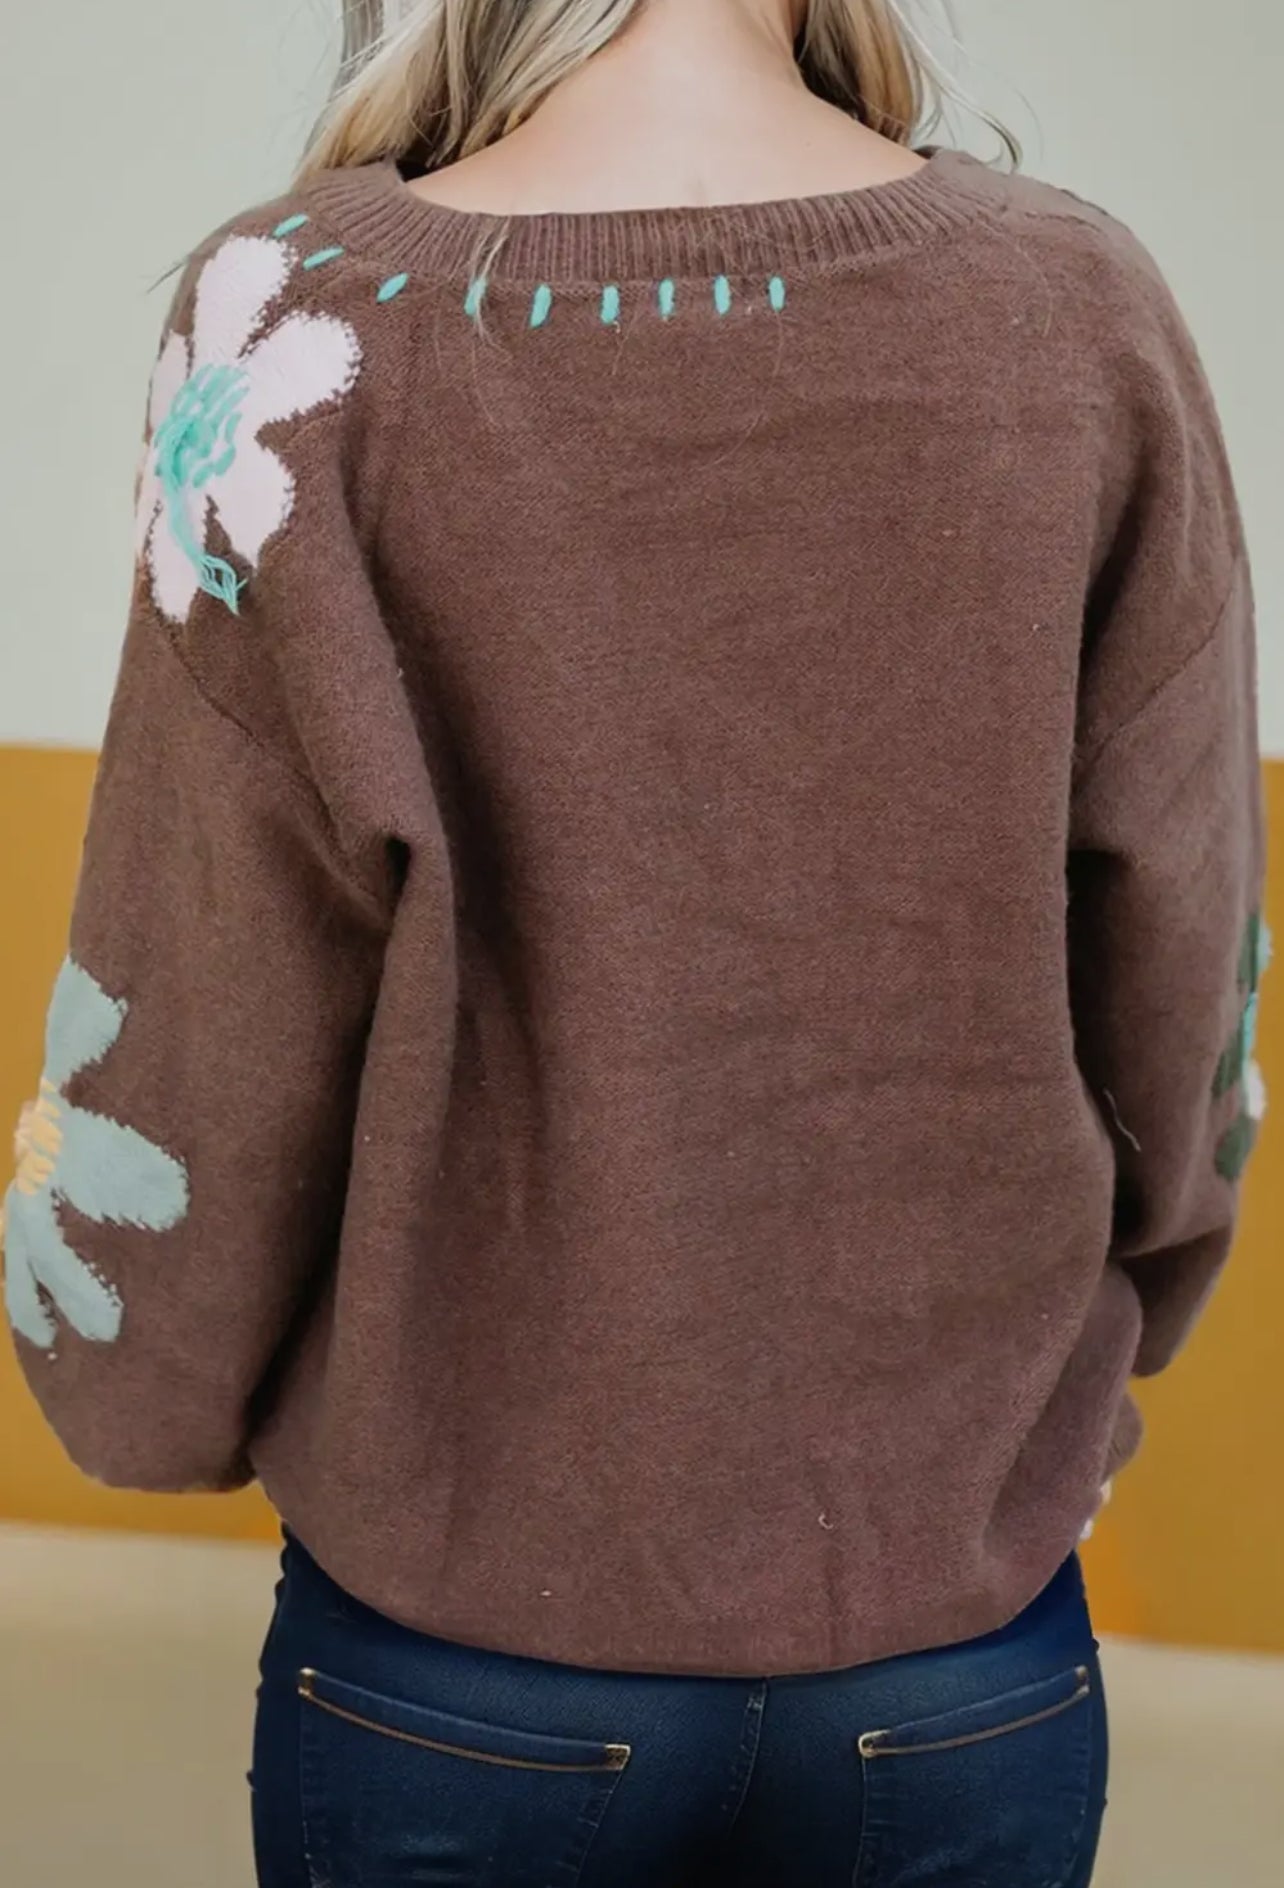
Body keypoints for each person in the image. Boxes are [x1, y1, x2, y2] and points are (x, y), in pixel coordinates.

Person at [3, 1, 1267, 1881]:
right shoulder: (1080, 308)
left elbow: (207, 991)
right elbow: (1183, 943)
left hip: (458, 1658)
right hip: (961, 1639)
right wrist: (1116, 1328)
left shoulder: (304, 326)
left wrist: (132, 1397)